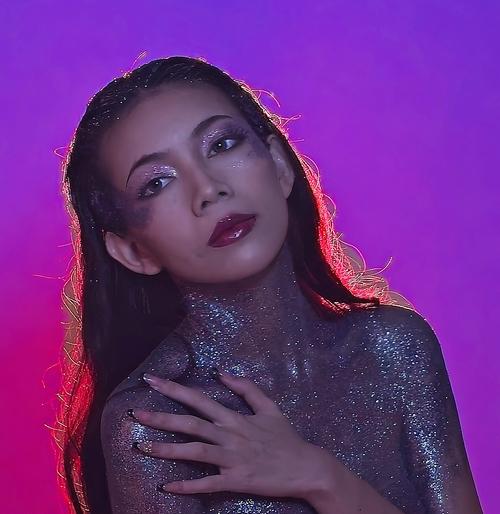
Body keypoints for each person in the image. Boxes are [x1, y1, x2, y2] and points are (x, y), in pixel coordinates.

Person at [52, 56, 483, 514]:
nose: (209, 189)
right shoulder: (154, 423)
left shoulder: (394, 348)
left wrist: (321, 479)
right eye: (157, 182)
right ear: (132, 250)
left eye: (221, 144)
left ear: (278, 164)